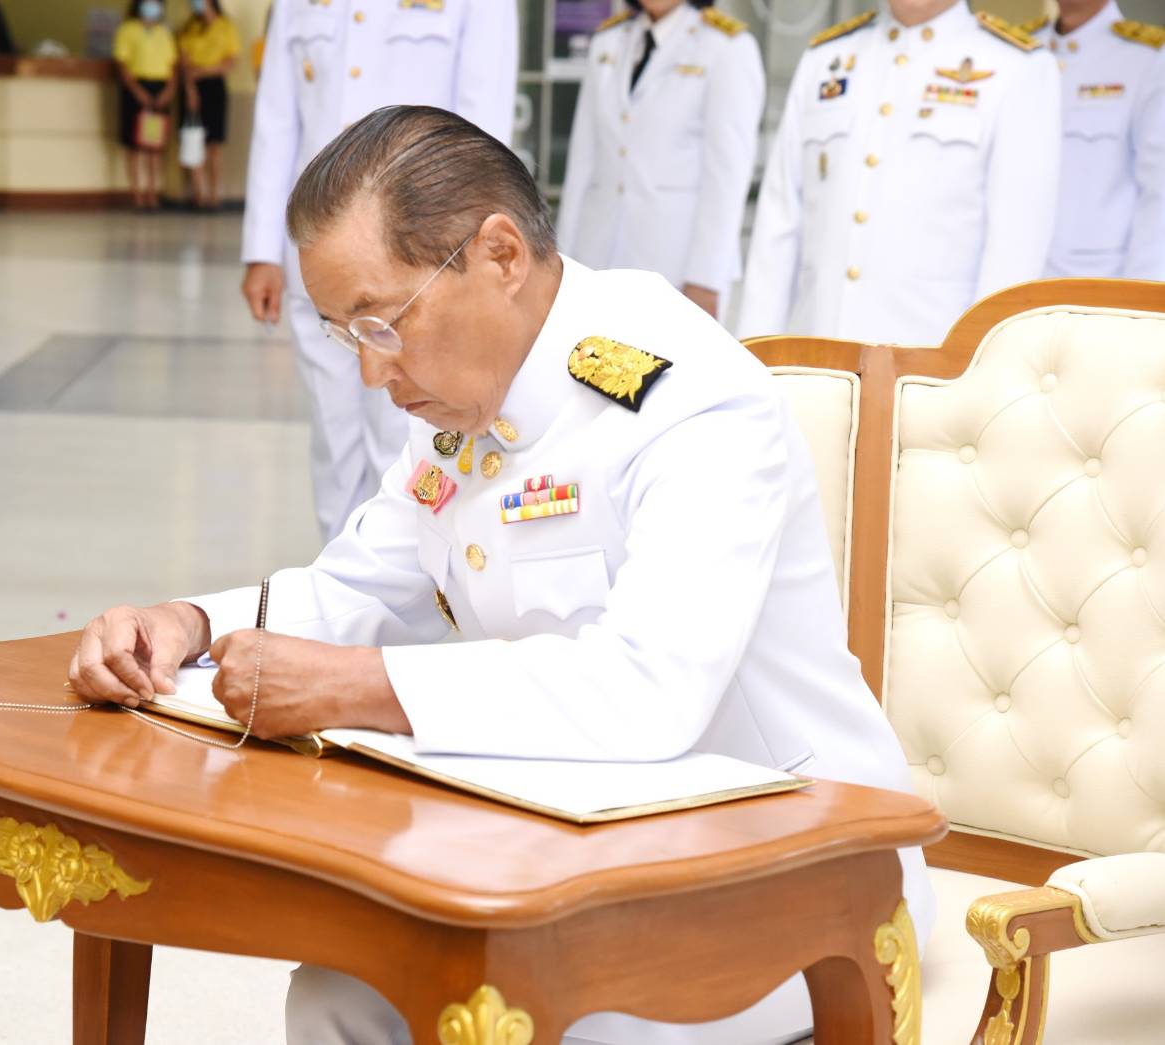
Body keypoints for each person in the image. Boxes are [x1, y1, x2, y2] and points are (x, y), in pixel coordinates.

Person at [70, 105, 931, 1045]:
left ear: (501, 255)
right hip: (582, 838)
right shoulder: (461, 400)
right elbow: (359, 588)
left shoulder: (689, 399)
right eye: (344, 334)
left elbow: (649, 688)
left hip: (798, 871)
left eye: (382, 322)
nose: (371, 374)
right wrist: (187, 624)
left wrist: (354, 686)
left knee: (532, 1021)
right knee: (338, 995)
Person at [240, 0, 517, 544]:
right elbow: (278, 118)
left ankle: (419, 566)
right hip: (319, 261)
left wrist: (468, 253)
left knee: (409, 430)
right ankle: (341, 568)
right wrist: (262, 250)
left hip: (419, 264)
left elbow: (482, 124)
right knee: (334, 435)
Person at [737, 0, 1060, 345]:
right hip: (817, 359)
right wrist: (753, 354)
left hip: (930, 363)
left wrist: (981, 367)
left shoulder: (1018, 68)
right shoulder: (825, 59)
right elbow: (778, 226)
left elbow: (1013, 253)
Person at [557, 0, 763, 322]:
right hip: (594, 260)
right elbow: (581, 166)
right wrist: (561, 261)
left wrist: (705, 279)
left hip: (673, 270)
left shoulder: (726, 47)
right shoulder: (608, 40)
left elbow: (726, 178)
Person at [1022, 0, 1165, 279]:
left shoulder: (1149, 57)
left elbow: (1158, 195)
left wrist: (1143, 294)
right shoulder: (1019, 49)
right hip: (1012, 281)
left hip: (1097, 282)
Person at [113, 0, 177, 211]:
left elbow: (173, 65)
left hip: (159, 88)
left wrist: (168, 91)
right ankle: (137, 194)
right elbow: (122, 64)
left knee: (154, 144)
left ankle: (152, 192)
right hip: (136, 87)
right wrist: (137, 91)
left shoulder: (164, 32)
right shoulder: (127, 29)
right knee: (135, 145)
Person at [177, 0, 240, 211]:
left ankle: (214, 195)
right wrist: (190, 89)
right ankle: (199, 194)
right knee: (194, 141)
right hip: (193, 87)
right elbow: (184, 64)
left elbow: (229, 62)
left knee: (215, 143)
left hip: (215, 87)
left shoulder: (225, 26)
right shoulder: (189, 28)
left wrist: (202, 71)